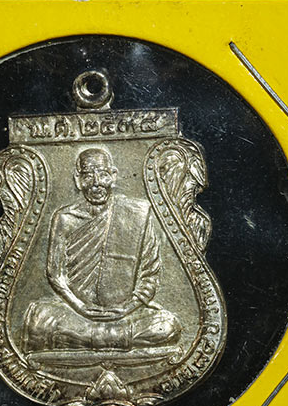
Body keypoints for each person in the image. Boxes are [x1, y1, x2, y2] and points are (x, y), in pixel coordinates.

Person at [22, 147, 181, 353]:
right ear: (78, 180)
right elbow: (55, 275)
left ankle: (84, 339)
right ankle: (114, 338)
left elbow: (150, 275)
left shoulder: (137, 213)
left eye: (103, 174)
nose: (96, 183)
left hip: (125, 313)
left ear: (113, 176)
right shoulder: (64, 218)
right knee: (37, 321)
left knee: (168, 326)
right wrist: (80, 307)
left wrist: (127, 308)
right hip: (75, 312)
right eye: (88, 176)